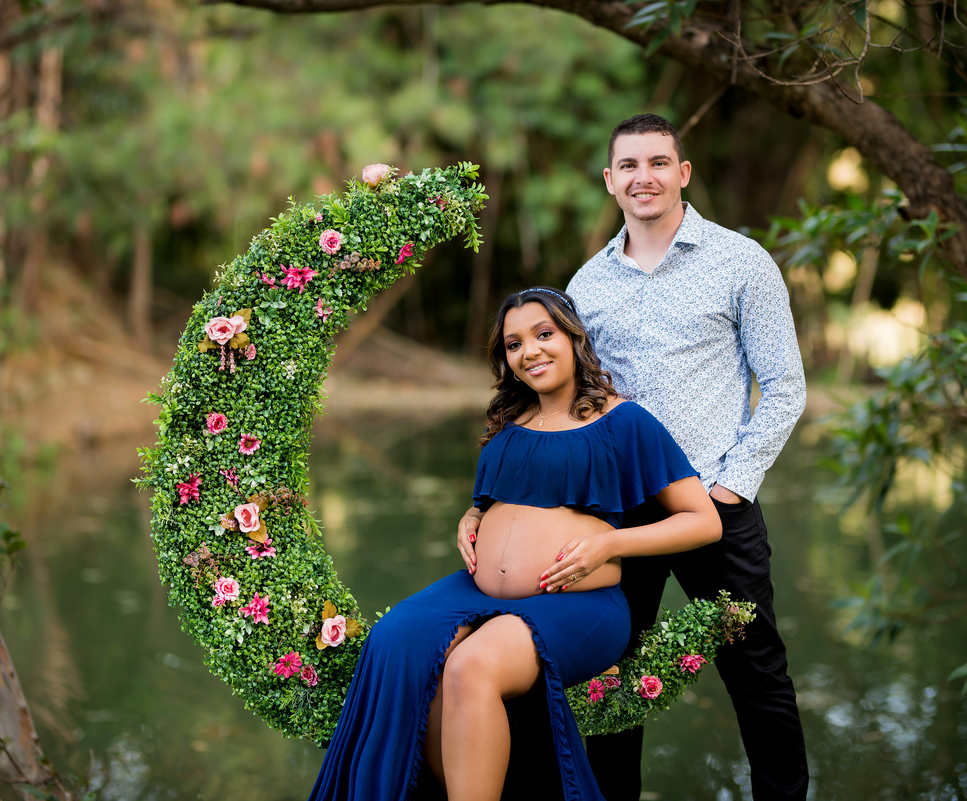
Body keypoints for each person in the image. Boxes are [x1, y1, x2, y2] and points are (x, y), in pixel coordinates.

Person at [458, 113, 809, 800]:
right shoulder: (587, 284)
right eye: (629, 166)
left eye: (658, 162)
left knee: (756, 670)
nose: (643, 176)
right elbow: (566, 398)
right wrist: (490, 501)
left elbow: (787, 386)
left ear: (682, 172)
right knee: (612, 679)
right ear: (610, 181)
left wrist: (731, 486)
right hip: (610, 515)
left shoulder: (741, 262)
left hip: (712, 502)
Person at [309, 287, 722, 801]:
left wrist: (609, 545)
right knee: (394, 641)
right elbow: (504, 498)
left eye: (544, 335)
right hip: (478, 591)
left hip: (577, 604)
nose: (530, 351)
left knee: (471, 666)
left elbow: (703, 522)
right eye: (513, 343)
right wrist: (474, 512)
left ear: (574, 338)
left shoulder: (624, 422)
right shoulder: (508, 422)